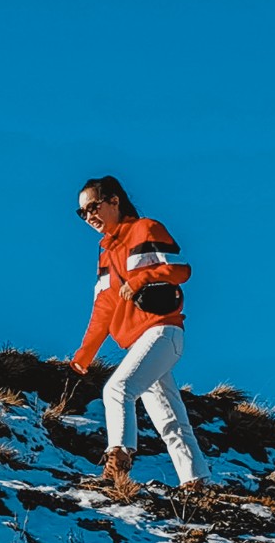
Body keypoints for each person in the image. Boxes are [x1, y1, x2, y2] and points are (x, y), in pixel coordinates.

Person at [67, 176, 211, 490]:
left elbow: (181, 268)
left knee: (117, 389)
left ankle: (117, 463)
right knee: (169, 417)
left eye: (93, 206)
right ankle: (196, 482)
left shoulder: (145, 228)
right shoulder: (105, 253)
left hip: (163, 331)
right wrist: (84, 354)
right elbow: (104, 307)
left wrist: (140, 280)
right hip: (140, 341)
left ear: (114, 201)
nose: (89, 216)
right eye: (82, 213)